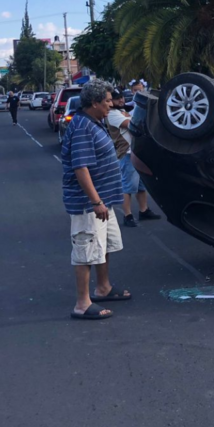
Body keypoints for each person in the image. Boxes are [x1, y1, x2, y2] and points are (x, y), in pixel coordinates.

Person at [62, 80, 130, 320]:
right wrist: (95, 201)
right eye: (108, 101)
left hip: (104, 201)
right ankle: (82, 303)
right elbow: (81, 168)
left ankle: (103, 288)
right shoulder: (82, 127)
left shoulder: (95, 121)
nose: (111, 105)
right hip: (88, 204)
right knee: (86, 250)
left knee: (104, 246)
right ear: (94, 103)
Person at [106, 89, 161, 228]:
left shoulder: (121, 112)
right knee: (128, 186)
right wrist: (130, 117)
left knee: (141, 185)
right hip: (127, 153)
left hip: (137, 153)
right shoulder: (112, 114)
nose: (121, 100)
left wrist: (128, 115)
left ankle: (144, 210)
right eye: (117, 98)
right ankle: (127, 215)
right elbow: (133, 124)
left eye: (122, 97)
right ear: (110, 101)